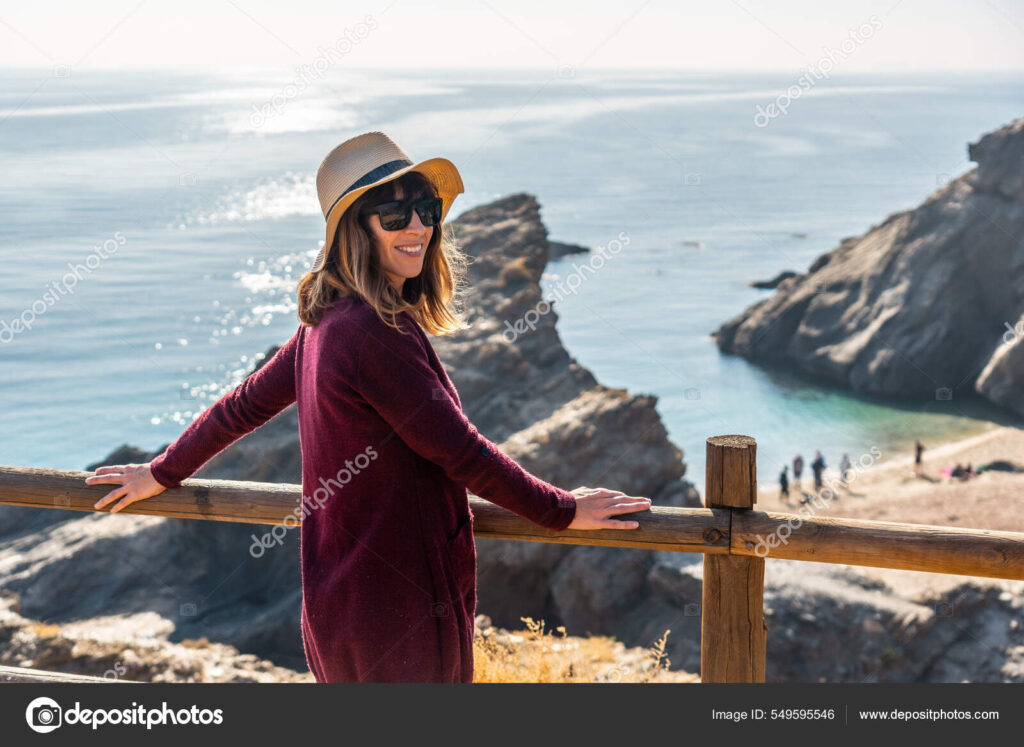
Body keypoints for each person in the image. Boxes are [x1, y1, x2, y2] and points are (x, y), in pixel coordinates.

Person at [83, 131, 651, 684]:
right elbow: (462, 453)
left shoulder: (326, 322)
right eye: (394, 215)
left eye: (426, 209)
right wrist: (561, 510)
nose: (419, 227)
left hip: (340, 608)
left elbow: (241, 406)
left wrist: (161, 471)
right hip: (401, 620)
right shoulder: (371, 332)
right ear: (355, 230)